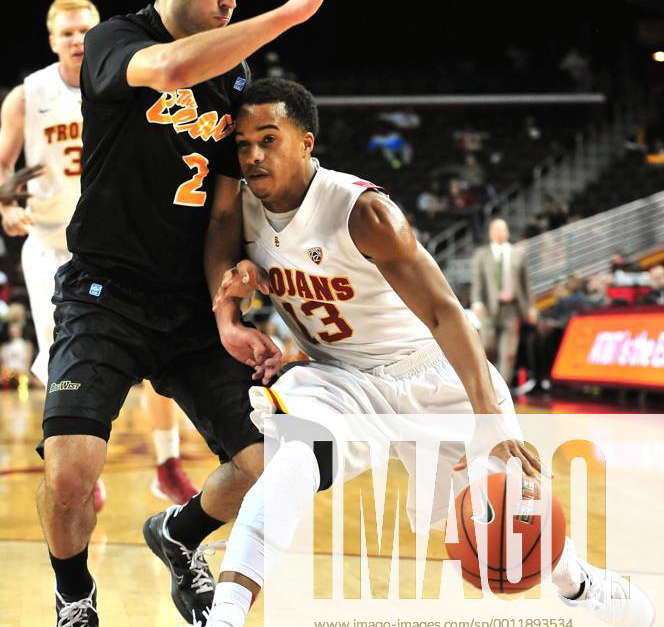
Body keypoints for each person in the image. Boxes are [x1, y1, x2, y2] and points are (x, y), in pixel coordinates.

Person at [205, 78, 654, 627]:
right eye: (244, 144)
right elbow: (223, 239)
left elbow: (447, 313)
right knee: (291, 465)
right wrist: (235, 302)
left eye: (268, 139)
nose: (252, 155)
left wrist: (490, 418)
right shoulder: (239, 203)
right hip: (340, 379)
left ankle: (578, 584)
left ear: (306, 141)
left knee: (500, 526)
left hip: (429, 375)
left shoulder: (363, 212)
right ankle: (223, 615)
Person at [34, 1, 323, 625]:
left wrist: (226, 311)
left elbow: (223, 214)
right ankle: (74, 594)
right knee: (68, 475)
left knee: (269, 464)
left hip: (190, 304)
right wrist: (291, 15)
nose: (229, 5)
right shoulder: (115, 39)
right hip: (104, 294)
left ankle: (180, 534)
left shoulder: (236, 75)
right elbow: (167, 70)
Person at [0, 0, 199, 511]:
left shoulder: (125, 76)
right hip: (51, 244)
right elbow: (2, 172)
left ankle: (169, 464)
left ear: (99, 34)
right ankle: (77, 468)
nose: (75, 39)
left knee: (157, 349)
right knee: (60, 361)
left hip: (117, 242)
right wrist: (7, 208)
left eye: (84, 31)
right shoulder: (28, 96)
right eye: (66, 32)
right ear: (51, 39)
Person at [471, 219, 537, 387]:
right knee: (488, 348)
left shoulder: (517, 253)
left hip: (512, 308)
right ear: (490, 233)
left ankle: (502, 389)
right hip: (488, 308)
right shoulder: (482, 254)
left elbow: (525, 283)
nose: (500, 233)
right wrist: (477, 302)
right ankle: (486, 387)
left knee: (509, 352)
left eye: (503, 230)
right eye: (496, 230)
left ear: (507, 232)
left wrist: (530, 307)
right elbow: (478, 280)